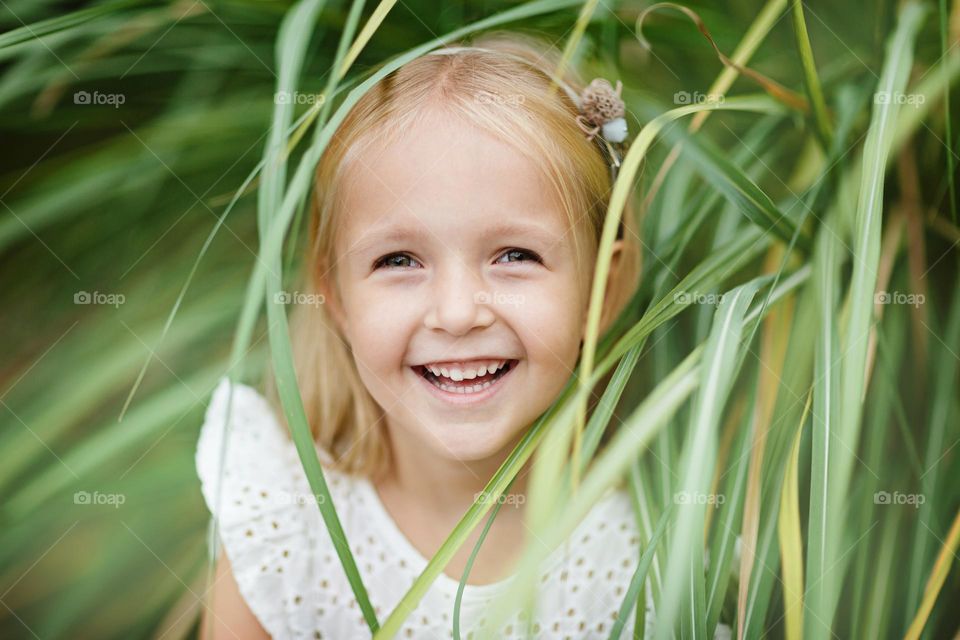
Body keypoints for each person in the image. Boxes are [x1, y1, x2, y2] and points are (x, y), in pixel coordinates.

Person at [196, 31, 652, 639]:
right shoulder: (284, 523)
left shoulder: (655, 553)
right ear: (337, 299)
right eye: (399, 261)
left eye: (515, 255)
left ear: (602, 288)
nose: (458, 313)